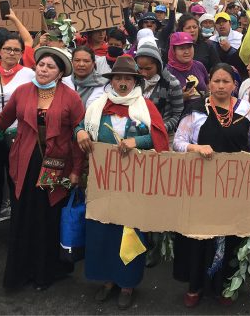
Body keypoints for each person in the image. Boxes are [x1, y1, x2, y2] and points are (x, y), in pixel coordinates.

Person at [0, 46, 85, 292]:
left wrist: (77, 170)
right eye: (41, 65)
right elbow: (0, 123)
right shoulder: (23, 92)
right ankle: (20, 272)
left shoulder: (71, 97)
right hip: (25, 163)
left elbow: (79, 135)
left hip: (55, 166)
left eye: (50, 67)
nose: (44, 70)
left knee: (47, 217)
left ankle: (45, 272)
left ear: (59, 74)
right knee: (23, 216)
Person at [75, 56, 169, 309]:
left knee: (129, 232)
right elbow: (81, 127)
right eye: (118, 78)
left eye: (128, 78)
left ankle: (127, 283)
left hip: (133, 183)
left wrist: (136, 142)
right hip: (103, 182)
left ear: (135, 81)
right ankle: (107, 280)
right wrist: (81, 132)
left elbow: (159, 139)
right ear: (112, 81)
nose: (123, 83)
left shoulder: (145, 107)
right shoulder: (98, 106)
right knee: (102, 231)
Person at [173, 63, 250, 307]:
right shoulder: (196, 109)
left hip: (234, 186)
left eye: (226, 81)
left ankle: (224, 285)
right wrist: (197, 147)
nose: (221, 86)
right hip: (200, 186)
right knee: (199, 235)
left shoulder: (245, 109)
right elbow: (178, 143)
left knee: (229, 235)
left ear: (234, 85)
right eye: (216, 81)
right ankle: (195, 286)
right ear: (209, 84)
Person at [0, 32, 35, 247]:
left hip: (18, 137)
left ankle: (18, 228)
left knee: (16, 182)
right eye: (8, 49)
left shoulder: (30, 74)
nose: (12, 53)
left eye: (17, 50)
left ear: (22, 53)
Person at [134, 36, 184, 133]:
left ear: (158, 65)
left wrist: (161, 129)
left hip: (163, 133)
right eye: (140, 68)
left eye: (148, 69)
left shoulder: (172, 83)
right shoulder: (135, 81)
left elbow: (178, 114)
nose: (143, 73)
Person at [166, 32, 209, 102]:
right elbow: (162, 102)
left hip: (202, 111)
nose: (186, 52)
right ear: (173, 51)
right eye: (181, 48)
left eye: (189, 47)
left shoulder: (199, 65)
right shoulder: (167, 72)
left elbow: (207, 88)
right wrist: (181, 98)